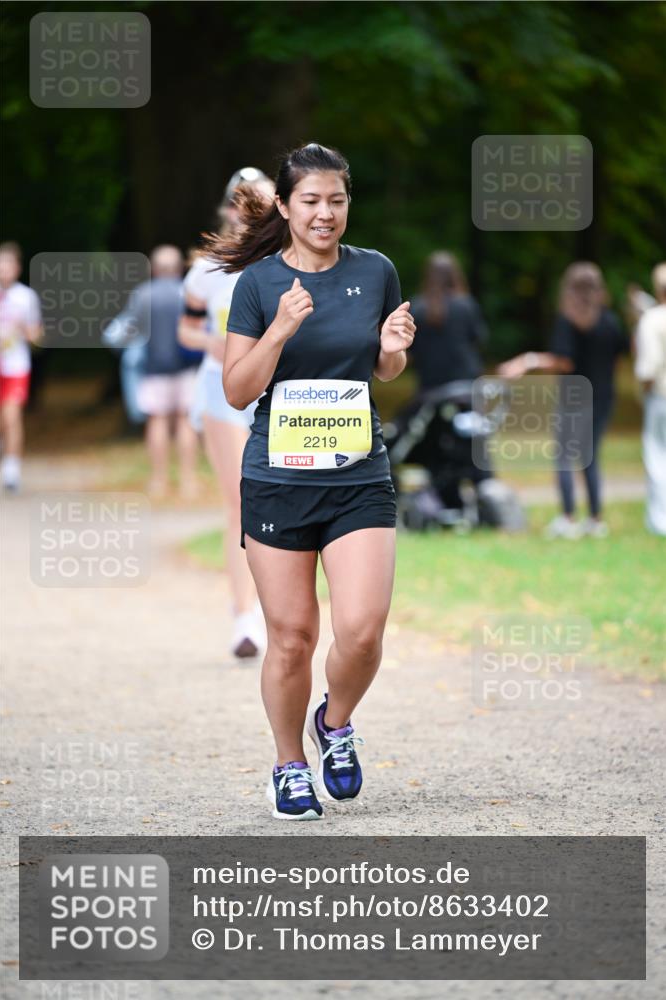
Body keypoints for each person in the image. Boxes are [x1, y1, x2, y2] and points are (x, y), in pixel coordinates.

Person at [205, 142, 415, 820]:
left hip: (357, 475)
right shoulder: (259, 285)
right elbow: (237, 390)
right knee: (291, 637)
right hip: (276, 479)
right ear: (287, 208)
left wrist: (390, 352)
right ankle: (288, 765)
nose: (325, 213)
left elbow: (382, 371)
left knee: (361, 630)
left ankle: (336, 722)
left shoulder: (375, 270)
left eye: (337, 200)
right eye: (311, 201)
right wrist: (279, 331)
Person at [178, 168, 275, 660]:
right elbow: (185, 332)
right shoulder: (207, 269)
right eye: (245, 201)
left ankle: (276, 609)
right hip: (219, 392)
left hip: (272, 394)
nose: (253, 209)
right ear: (232, 208)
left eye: (263, 200)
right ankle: (244, 617)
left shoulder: (283, 262)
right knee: (240, 501)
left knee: (275, 500)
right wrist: (213, 343)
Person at [498, 262, 628, 539]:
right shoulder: (609, 321)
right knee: (590, 457)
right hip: (604, 395)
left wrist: (527, 360)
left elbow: (564, 361)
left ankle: (568, 517)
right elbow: (618, 359)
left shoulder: (568, 321)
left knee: (564, 456)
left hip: (575, 397)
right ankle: (595, 519)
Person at [131, 245, 199, 499]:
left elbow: (131, 329)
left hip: (153, 369)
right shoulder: (188, 293)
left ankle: (158, 480)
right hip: (187, 368)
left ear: (154, 269)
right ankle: (188, 480)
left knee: (157, 420)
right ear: (180, 267)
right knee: (185, 421)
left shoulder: (143, 294)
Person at [409, 251, 488, 390]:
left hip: (429, 383)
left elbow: (410, 348)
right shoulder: (466, 304)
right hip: (466, 382)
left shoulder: (416, 307)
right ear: (455, 275)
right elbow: (479, 339)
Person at [0, 242, 42, 492]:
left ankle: (11, 470)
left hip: (15, 366)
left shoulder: (26, 297)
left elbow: (35, 334)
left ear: (17, 268)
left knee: (12, 416)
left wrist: (27, 332)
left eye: (7, 265)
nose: (3, 270)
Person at [634, 263, 666, 536]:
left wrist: (644, 392)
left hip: (661, 397)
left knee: (657, 457)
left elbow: (649, 366)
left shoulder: (653, 319)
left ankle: (660, 521)